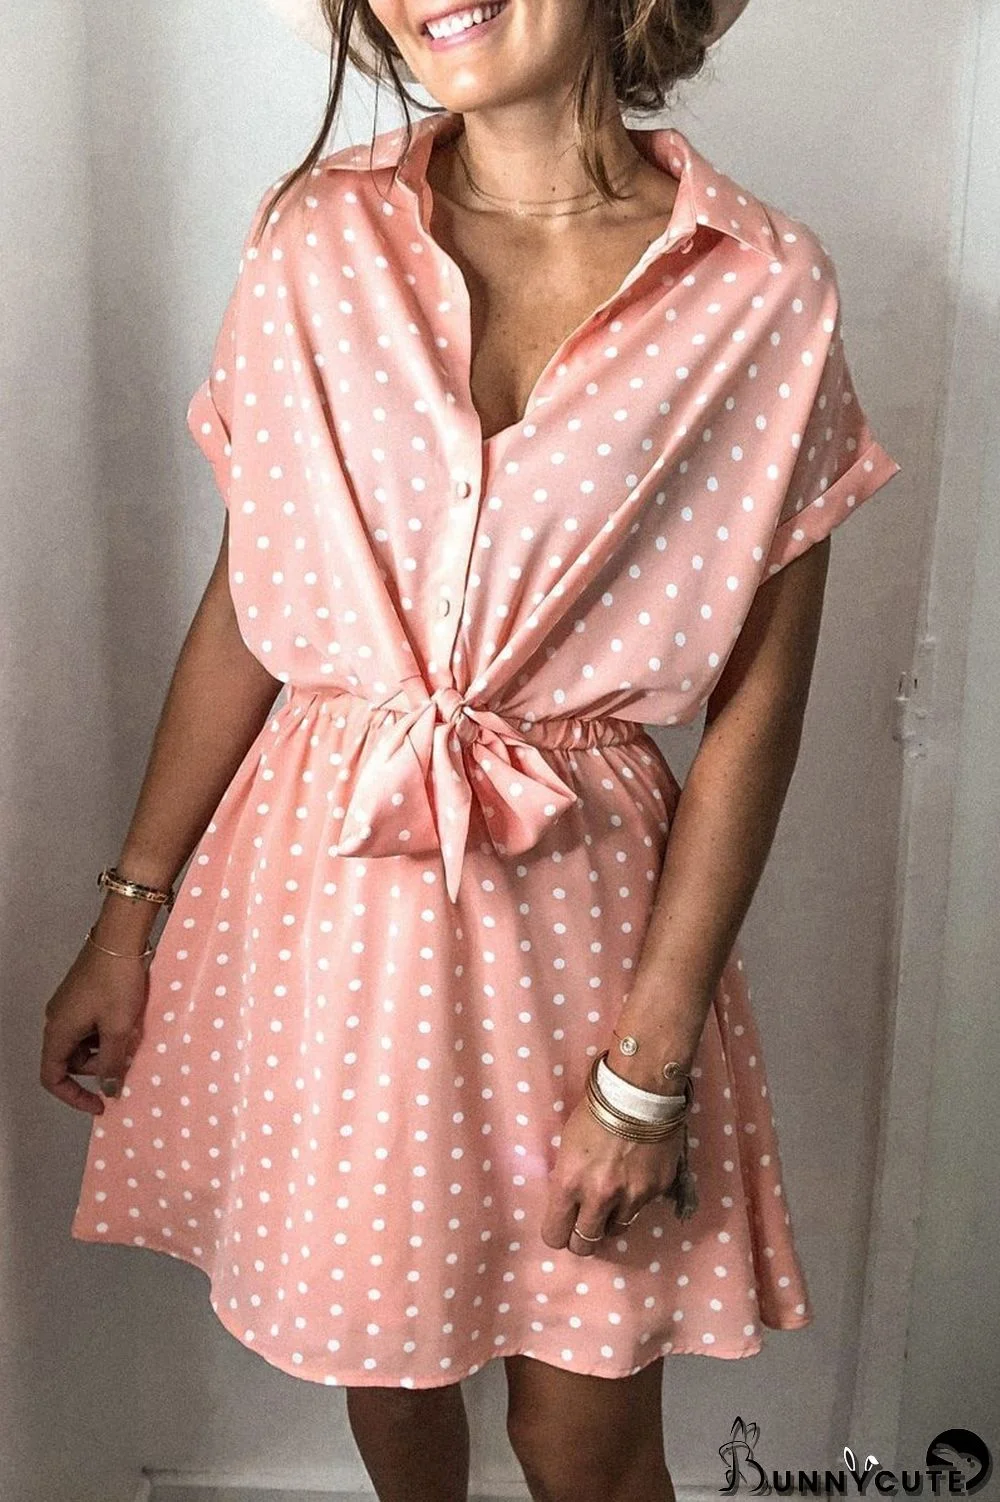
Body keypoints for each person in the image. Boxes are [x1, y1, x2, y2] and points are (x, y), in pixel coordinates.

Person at [40, 1, 902, 1499]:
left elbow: (760, 705)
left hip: (584, 932)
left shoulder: (760, 287)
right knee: (389, 1374)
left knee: (584, 1431)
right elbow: (258, 599)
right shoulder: (315, 238)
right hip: (328, 916)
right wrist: (130, 915)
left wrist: (649, 1069)